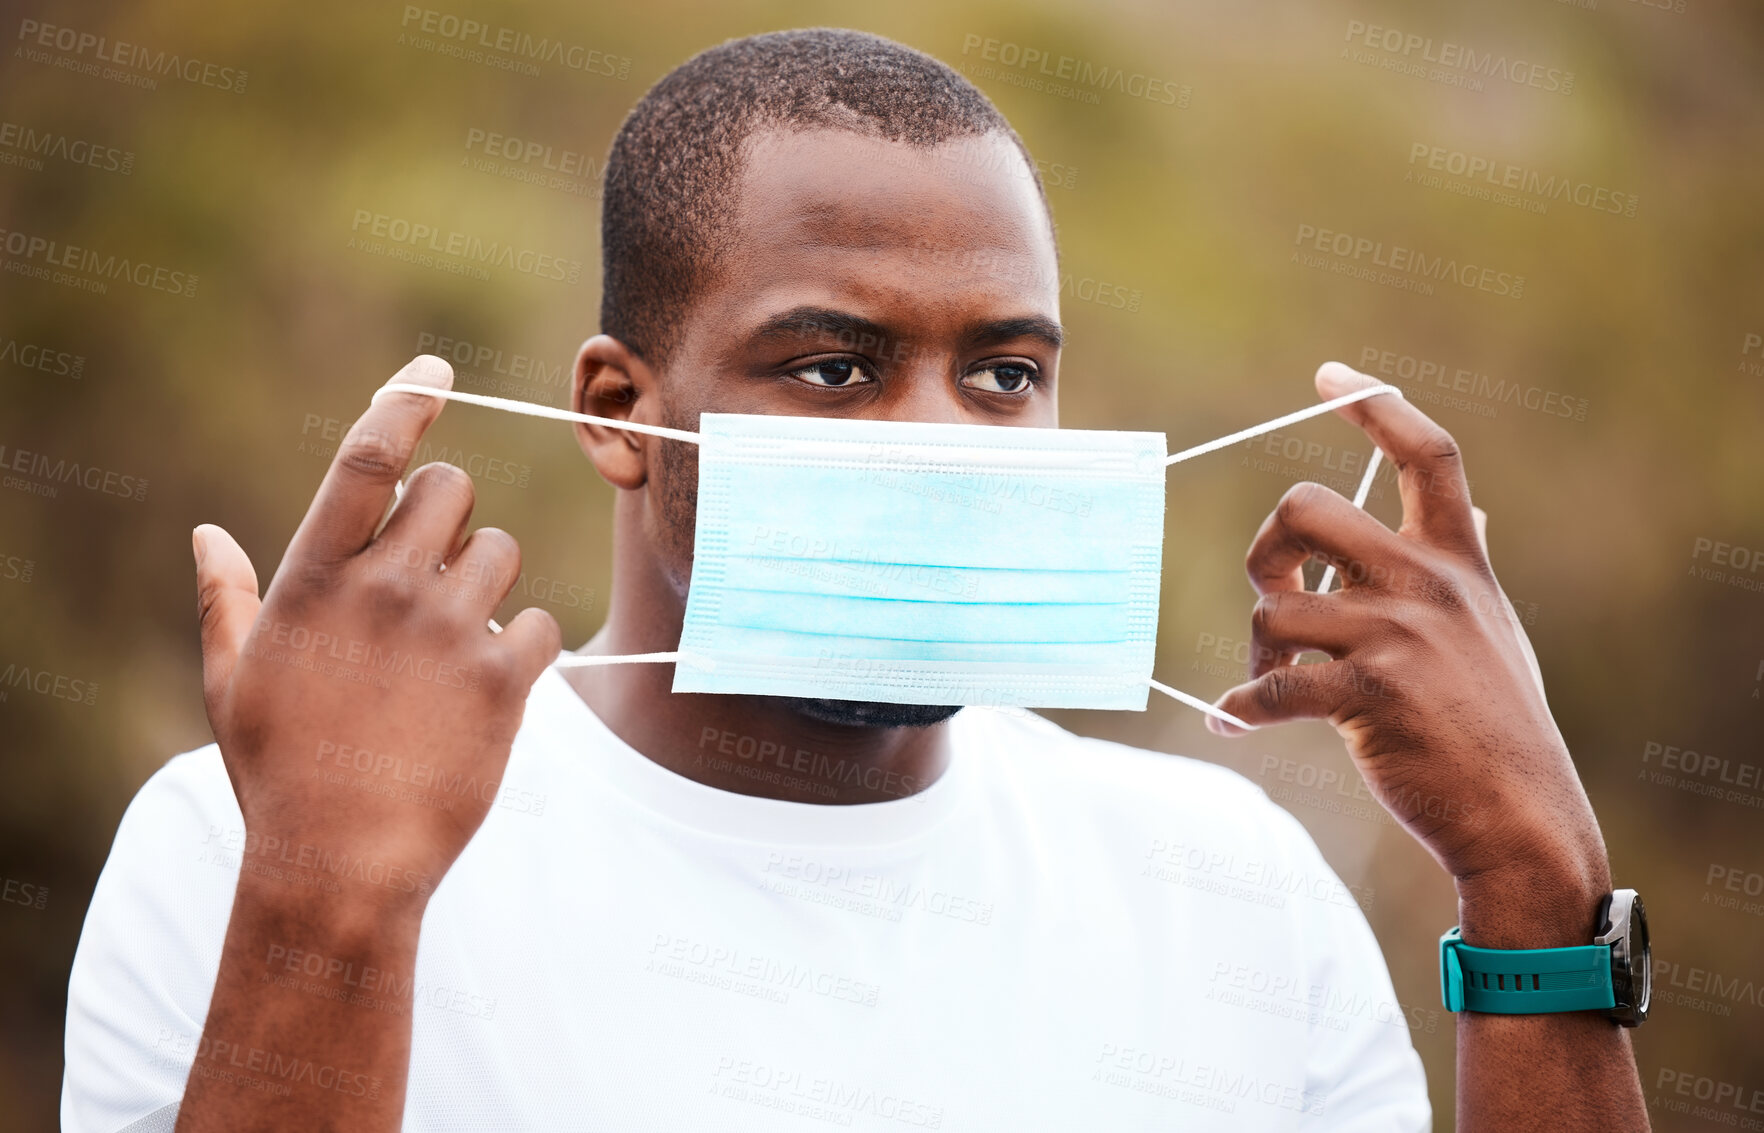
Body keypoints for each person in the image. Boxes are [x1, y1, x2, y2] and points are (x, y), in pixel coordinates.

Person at [62, 28, 1647, 1133]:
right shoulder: (243, 842)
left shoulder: (1231, 883)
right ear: (622, 411)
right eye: (835, 367)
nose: (945, 437)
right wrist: (329, 908)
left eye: (1008, 372)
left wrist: (1530, 880)